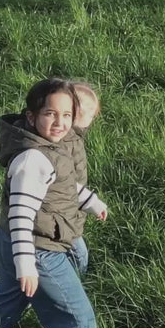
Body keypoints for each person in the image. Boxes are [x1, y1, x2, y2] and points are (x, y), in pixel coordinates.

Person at [0, 78, 109, 328]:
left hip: (16, 242)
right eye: (50, 114)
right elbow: (21, 216)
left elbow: (61, 185)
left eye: (66, 115)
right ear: (31, 117)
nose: (60, 122)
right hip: (37, 249)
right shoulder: (33, 160)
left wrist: (91, 202)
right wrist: (27, 265)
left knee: (8, 302)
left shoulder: (50, 146)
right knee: (76, 317)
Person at [62, 81, 106, 276]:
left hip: (70, 208)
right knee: (79, 255)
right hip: (63, 213)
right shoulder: (65, 142)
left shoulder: (72, 138)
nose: (93, 119)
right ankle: (74, 281)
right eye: (92, 115)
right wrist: (92, 203)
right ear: (78, 114)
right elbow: (63, 182)